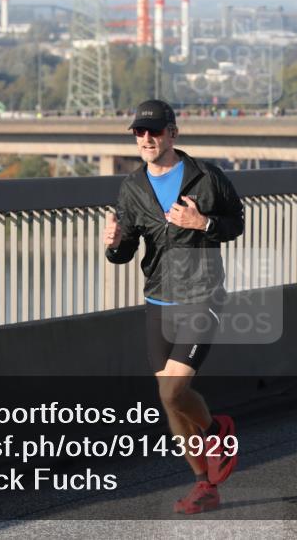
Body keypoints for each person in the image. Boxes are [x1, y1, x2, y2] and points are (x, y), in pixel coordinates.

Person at [103, 99, 245, 514]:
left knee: (173, 389)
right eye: (140, 133)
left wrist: (204, 224)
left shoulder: (206, 178)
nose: (147, 139)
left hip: (202, 295)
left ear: (172, 134)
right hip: (158, 300)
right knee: (169, 401)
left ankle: (217, 429)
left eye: (156, 131)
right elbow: (126, 249)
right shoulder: (132, 188)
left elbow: (236, 222)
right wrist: (113, 245)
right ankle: (204, 485)